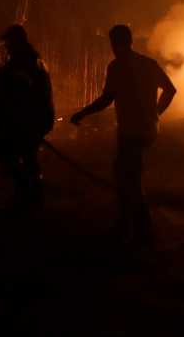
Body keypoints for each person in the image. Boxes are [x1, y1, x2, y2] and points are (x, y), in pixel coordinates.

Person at [70, 24, 177, 247]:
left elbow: (107, 99)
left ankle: (140, 229)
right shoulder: (148, 64)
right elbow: (170, 89)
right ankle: (129, 225)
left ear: (115, 43)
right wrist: (156, 113)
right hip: (148, 129)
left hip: (131, 131)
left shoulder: (117, 67)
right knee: (127, 175)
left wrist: (82, 113)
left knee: (128, 178)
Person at [0, 24, 55, 211]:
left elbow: (16, 90)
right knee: (23, 157)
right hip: (27, 120)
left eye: (9, 43)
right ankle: (29, 196)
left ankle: (30, 196)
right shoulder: (28, 60)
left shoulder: (26, 62)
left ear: (16, 41)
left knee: (14, 154)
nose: (7, 47)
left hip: (28, 120)